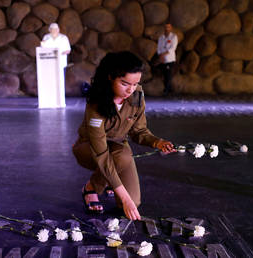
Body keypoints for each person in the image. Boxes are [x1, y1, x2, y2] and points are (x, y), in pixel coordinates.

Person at [72, 51, 176, 220]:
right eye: (125, 83)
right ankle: (92, 188)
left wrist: (158, 143)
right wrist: (124, 197)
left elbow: (139, 131)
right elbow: (102, 155)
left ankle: (108, 182)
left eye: (135, 84)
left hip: (119, 150)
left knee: (134, 202)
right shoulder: (96, 104)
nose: (131, 90)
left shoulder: (137, 95)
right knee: (121, 157)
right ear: (110, 77)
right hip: (89, 149)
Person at [157, 23, 178, 95]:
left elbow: (172, 48)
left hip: (170, 59)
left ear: (171, 28)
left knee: (168, 75)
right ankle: (166, 90)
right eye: (166, 27)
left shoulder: (174, 37)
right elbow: (159, 48)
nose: (167, 28)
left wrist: (163, 55)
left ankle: (166, 91)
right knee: (164, 74)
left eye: (168, 27)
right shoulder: (161, 37)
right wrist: (160, 56)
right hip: (162, 60)